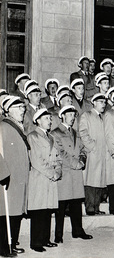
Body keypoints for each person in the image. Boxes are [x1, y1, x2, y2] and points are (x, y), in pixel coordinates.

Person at [52, 105, 93, 243]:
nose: (73, 118)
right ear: (63, 115)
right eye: (70, 115)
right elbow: (60, 152)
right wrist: (75, 163)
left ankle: (78, 231)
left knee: (76, 204)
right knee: (61, 207)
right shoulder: (56, 133)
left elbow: (82, 149)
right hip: (65, 173)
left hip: (75, 175)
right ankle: (58, 235)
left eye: (74, 115)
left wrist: (82, 159)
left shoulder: (75, 132)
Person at [27, 108, 61, 252]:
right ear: (38, 120)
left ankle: (46, 239)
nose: (50, 121)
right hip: (40, 178)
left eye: (50, 118)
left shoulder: (52, 137)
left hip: (51, 179)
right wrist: (51, 173)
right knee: (39, 211)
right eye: (47, 118)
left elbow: (58, 158)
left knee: (48, 210)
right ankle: (36, 242)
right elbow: (36, 160)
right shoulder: (32, 136)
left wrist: (58, 171)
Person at [0, 96, 30, 257]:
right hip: (8, 178)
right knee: (6, 213)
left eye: (23, 108)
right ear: (9, 110)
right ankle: (4, 247)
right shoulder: (3, 127)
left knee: (16, 213)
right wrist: (2, 173)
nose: (22, 111)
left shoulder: (18, 126)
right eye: (19, 108)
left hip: (19, 178)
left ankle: (13, 243)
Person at [78, 93, 108, 216]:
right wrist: (92, 146)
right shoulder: (87, 115)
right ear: (94, 102)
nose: (103, 104)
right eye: (101, 102)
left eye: (105, 102)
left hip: (102, 153)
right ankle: (90, 207)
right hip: (92, 153)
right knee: (91, 181)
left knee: (100, 181)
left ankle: (96, 207)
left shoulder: (104, 117)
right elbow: (83, 133)